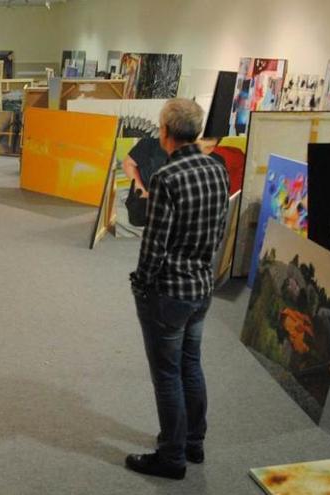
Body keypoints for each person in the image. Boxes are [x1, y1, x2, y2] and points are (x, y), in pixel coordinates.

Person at [126, 98, 231, 480]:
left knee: (167, 374)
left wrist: (141, 284)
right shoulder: (217, 170)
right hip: (202, 287)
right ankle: (193, 442)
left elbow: (154, 245)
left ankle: (171, 456)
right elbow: (219, 232)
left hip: (169, 292)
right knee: (190, 364)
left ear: (165, 132)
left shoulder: (166, 178)